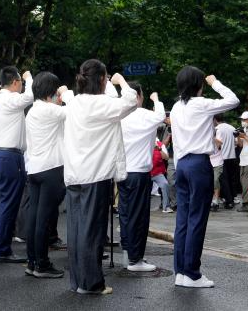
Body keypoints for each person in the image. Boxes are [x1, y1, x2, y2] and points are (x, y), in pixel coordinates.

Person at [61, 60, 136, 295]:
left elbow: (69, 96)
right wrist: (122, 81)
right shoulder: (103, 104)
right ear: (102, 79)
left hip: (75, 173)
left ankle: (79, 281)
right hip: (95, 174)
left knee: (76, 229)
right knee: (92, 231)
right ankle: (92, 283)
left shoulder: (75, 103)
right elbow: (132, 100)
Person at [168, 65, 239, 289]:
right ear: (198, 84)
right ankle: (192, 273)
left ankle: (180, 271)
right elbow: (233, 100)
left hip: (182, 164)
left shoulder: (176, 107)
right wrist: (215, 82)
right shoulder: (201, 104)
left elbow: (177, 141)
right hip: (199, 164)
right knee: (197, 218)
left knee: (183, 220)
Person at [23, 71, 70, 279]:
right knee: (44, 220)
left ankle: (32, 261)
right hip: (51, 169)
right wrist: (66, 93)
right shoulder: (51, 111)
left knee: (34, 218)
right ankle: (42, 264)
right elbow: (77, 110)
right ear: (52, 91)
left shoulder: (33, 110)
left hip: (34, 168)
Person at [0, 66, 33, 263]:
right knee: (8, 204)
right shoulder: (12, 99)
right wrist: (29, 78)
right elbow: (31, 95)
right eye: (20, 83)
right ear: (15, 82)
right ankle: (3, 249)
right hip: (9, 156)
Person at [119, 82, 166, 273]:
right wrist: (156, 99)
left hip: (122, 171)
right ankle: (135, 259)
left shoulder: (120, 114)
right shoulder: (144, 114)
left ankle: (127, 253)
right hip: (139, 172)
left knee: (125, 214)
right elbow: (161, 115)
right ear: (138, 95)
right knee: (139, 216)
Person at [212, 113, 236, 210]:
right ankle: (232, 199)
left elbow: (218, 144)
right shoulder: (231, 127)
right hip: (233, 156)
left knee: (223, 181)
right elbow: (237, 142)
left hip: (222, 157)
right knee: (232, 180)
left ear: (215, 119)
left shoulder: (217, 129)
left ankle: (228, 201)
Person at [150, 139, 171, 213]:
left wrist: (159, 149)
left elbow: (166, 157)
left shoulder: (160, 144)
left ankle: (166, 207)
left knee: (165, 184)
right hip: (147, 172)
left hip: (157, 172)